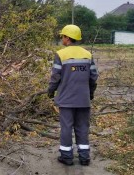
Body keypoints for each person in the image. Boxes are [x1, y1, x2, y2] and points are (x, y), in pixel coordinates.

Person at [47, 24, 98, 166]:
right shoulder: (88, 55)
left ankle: (67, 157)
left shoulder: (61, 54)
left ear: (67, 38)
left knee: (66, 128)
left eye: (62, 36)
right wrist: (91, 93)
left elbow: (55, 77)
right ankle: (84, 157)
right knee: (82, 127)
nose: (62, 39)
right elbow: (93, 77)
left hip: (66, 100)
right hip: (83, 99)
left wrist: (51, 91)